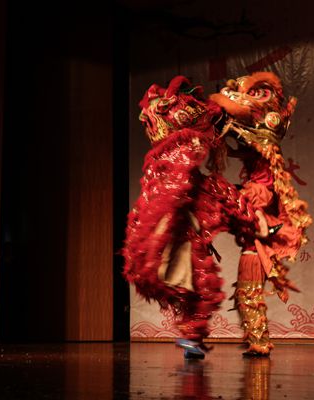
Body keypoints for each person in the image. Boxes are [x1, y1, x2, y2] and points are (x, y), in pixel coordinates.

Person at [122, 76, 257, 359]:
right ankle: (191, 335)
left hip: (185, 225)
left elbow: (205, 189)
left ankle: (192, 336)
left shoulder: (178, 165)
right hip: (178, 229)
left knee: (200, 287)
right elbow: (175, 188)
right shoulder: (175, 158)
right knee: (202, 285)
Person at [210, 71, 313, 356]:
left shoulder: (264, 172)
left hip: (257, 238)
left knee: (249, 293)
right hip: (255, 232)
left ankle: (259, 342)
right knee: (247, 294)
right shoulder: (259, 166)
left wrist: (240, 199)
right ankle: (257, 340)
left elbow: (261, 193)